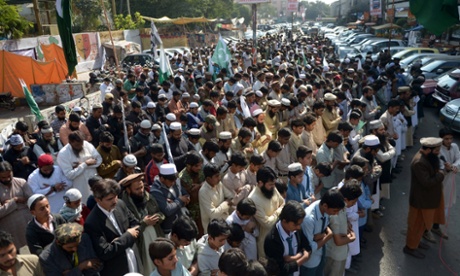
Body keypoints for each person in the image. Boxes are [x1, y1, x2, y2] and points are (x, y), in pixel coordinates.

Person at [84, 179, 141, 275]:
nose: (114, 201)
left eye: (116, 197)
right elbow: (105, 252)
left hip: (132, 257)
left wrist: (120, 240)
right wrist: (127, 236)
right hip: (116, 268)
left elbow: (136, 225)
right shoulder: (92, 222)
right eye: (110, 199)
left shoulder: (120, 204)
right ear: (98, 200)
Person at [404, 137, 445, 259]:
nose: (438, 153)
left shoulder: (428, 157)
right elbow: (427, 182)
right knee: (416, 224)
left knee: (422, 225)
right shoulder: (419, 163)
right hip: (421, 201)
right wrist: (442, 174)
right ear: (428, 150)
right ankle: (410, 247)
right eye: (436, 150)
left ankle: (416, 242)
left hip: (428, 199)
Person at [120, 173, 165, 275]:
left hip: (155, 236)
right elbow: (128, 227)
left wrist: (157, 218)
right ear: (128, 190)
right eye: (137, 189)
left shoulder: (149, 197)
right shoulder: (123, 205)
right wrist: (144, 223)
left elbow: (161, 213)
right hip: (140, 243)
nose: (141, 191)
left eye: (141, 187)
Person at [300, 188, 344, 275]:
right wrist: (328, 236)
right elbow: (310, 247)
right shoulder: (309, 219)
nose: (336, 214)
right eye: (335, 211)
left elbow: (325, 226)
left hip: (321, 253)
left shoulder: (324, 209)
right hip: (310, 261)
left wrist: (320, 236)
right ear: (325, 206)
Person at [264, 201, 311, 276]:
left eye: (299, 224)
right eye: (295, 224)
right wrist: (303, 258)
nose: (298, 227)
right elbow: (281, 269)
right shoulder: (272, 240)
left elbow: (307, 248)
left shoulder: (296, 230)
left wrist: (294, 257)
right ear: (284, 221)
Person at [324, 182, 361, 276]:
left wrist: (346, 224)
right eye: (353, 202)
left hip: (339, 252)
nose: (353, 205)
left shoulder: (340, 206)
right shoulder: (336, 213)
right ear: (345, 199)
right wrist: (352, 238)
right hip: (336, 254)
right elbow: (338, 241)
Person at [248, 166, 285, 257]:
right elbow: (267, 223)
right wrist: (279, 211)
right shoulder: (253, 199)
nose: (273, 187)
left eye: (274, 184)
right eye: (270, 184)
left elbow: (283, 202)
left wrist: (276, 212)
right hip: (265, 241)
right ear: (260, 183)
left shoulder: (272, 188)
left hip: (279, 235)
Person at [57, 131, 102, 203]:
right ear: (70, 142)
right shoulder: (63, 154)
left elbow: (99, 160)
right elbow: (69, 175)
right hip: (80, 185)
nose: (80, 147)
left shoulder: (86, 145)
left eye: (81, 144)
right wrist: (85, 164)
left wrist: (83, 166)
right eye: (77, 145)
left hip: (93, 182)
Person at [0, 161, 33, 250]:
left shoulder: (21, 182)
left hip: (28, 224)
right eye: (3, 177)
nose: (7, 179)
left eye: (9, 176)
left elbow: (32, 202)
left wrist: (7, 205)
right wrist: (15, 200)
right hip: (10, 230)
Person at [435, 127, 460, 239]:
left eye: (450, 138)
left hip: (450, 181)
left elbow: (459, 158)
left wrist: (454, 166)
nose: (449, 141)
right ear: (441, 139)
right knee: (436, 204)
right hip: (440, 181)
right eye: (446, 139)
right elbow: (439, 166)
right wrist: (448, 168)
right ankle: (427, 229)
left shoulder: (454, 146)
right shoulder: (438, 150)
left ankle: (436, 227)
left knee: (445, 205)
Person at [151, 164, 190, 234]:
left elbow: (186, 195)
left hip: (182, 222)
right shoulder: (156, 190)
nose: (173, 183)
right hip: (170, 229)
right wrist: (179, 200)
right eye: (171, 181)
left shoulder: (174, 182)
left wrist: (175, 203)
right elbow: (167, 210)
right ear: (162, 179)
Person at [199, 163, 234, 233]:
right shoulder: (203, 192)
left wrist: (219, 208)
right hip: (213, 230)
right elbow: (213, 214)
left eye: (219, 175)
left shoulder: (219, 184)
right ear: (208, 179)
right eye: (216, 176)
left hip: (225, 222)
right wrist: (226, 203)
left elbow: (231, 197)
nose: (219, 178)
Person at [179, 152, 205, 236]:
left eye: (200, 165)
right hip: (193, 211)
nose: (199, 168)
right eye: (196, 166)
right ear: (189, 166)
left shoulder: (200, 171)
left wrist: (200, 185)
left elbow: (207, 181)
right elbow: (192, 195)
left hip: (203, 204)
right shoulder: (183, 178)